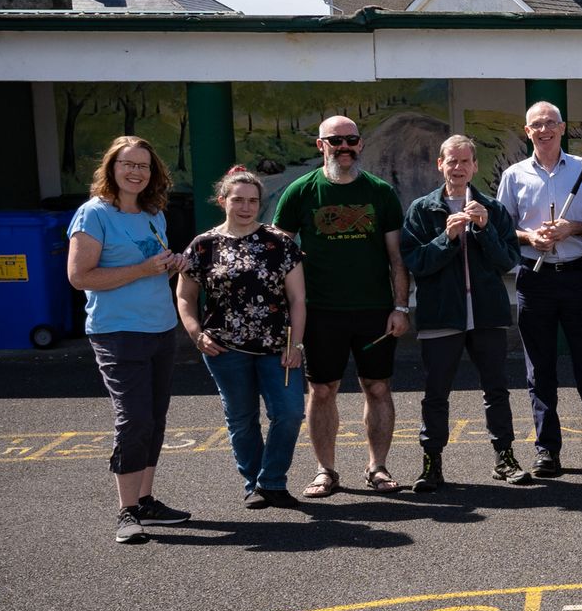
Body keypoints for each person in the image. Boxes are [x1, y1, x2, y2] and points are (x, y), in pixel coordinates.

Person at [275, 115, 411, 498]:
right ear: (321, 146)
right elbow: (279, 256)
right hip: (319, 312)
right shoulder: (299, 192)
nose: (344, 147)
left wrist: (401, 306)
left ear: (360, 144)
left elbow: (396, 258)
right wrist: (287, 314)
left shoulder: (380, 193)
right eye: (335, 141)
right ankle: (326, 471)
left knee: (378, 387)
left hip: (374, 310)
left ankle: (377, 467)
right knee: (322, 390)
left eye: (350, 139)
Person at [67, 136, 192, 544]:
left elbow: (152, 270)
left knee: (154, 419)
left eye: (144, 165)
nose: (136, 171)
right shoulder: (93, 214)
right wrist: (142, 269)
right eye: (127, 164)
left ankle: (146, 501)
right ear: (111, 168)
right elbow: (80, 277)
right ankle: (126, 511)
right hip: (117, 331)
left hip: (159, 328)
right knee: (134, 419)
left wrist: (172, 266)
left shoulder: (153, 214)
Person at [400, 135, 532, 494]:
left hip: (487, 314)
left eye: (464, 162)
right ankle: (432, 463)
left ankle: (504, 457)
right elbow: (416, 263)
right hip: (442, 314)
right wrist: (448, 239)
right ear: (439, 165)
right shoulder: (422, 209)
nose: (458, 168)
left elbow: (509, 261)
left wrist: (486, 229)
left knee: (496, 390)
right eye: (451, 162)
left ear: (475, 166)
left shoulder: (492, 208)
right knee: (436, 393)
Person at [176, 167, 306, 509]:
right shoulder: (203, 246)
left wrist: (297, 344)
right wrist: (195, 333)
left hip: (277, 347)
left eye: (253, 200)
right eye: (238, 200)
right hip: (224, 347)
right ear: (223, 201)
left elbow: (297, 300)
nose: (246, 207)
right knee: (241, 418)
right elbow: (185, 297)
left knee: (290, 413)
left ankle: (271, 480)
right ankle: (255, 483)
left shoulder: (279, 243)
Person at [497, 100, 582, 477]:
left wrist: (572, 229)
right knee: (539, 370)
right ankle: (547, 450)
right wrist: (529, 237)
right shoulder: (514, 175)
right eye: (536, 124)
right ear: (527, 131)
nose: (544, 129)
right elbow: (502, 231)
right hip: (534, 279)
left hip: (578, 276)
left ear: (562, 128)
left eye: (551, 123)